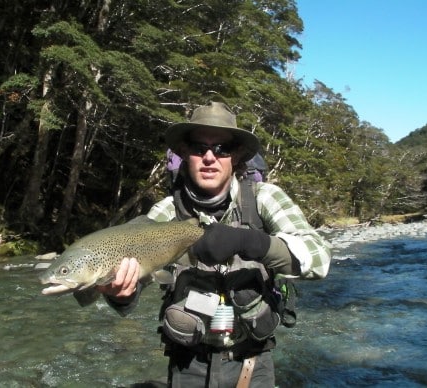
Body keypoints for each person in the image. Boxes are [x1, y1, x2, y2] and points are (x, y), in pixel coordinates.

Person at [98, 101, 332, 387]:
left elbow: (319, 259)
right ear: (184, 154)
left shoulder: (264, 197)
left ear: (236, 156)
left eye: (221, 149)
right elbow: (129, 292)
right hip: (187, 363)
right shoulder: (167, 213)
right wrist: (120, 294)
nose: (210, 157)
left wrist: (254, 242)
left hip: (252, 362)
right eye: (199, 147)